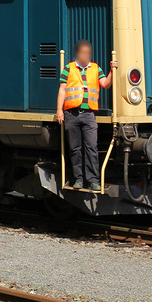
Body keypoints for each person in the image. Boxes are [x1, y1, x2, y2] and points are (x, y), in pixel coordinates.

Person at [54, 40, 116, 191]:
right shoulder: (68, 69)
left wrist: (112, 71)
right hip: (71, 114)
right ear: (78, 53)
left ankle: (93, 180)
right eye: (83, 52)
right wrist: (59, 111)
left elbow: (106, 84)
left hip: (89, 114)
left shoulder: (96, 68)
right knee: (75, 149)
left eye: (88, 53)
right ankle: (78, 180)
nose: (86, 55)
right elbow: (62, 90)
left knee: (91, 147)